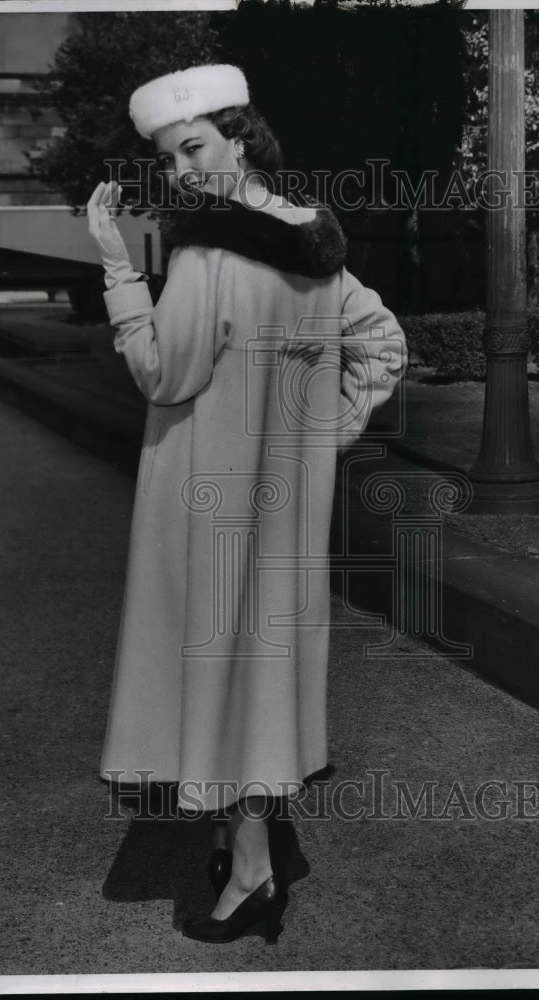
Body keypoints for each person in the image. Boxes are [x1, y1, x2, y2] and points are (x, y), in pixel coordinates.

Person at [87, 63, 406, 944]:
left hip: (201, 501)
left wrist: (116, 266)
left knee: (215, 667)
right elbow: (383, 341)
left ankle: (255, 867)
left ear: (240, 137)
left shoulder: (207, 254)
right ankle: (243, 842)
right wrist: (320, 439)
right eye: (169, 157)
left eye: (193, 147)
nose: (182, 171)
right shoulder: (314, 239)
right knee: (259, 672)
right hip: (282, 511)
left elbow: (163, 373)